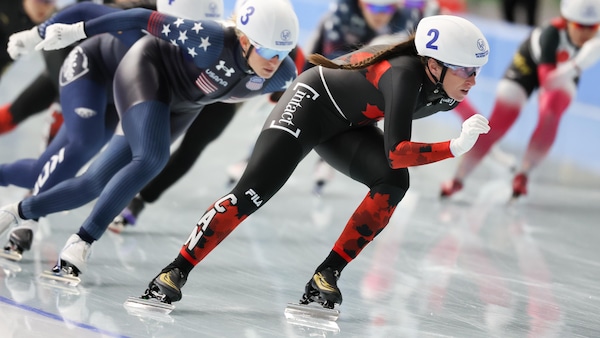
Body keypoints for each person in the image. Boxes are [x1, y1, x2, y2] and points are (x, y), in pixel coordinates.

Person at [122, 14, 491, 310]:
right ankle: (175, 271)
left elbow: (393, 161)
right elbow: (397, 151)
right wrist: (454, 147)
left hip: (349, 125)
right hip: (310, 104)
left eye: (476, 71)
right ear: (433, 63)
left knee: (393, 183)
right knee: (252, 193)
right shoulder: (403, 74)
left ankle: (326, 276)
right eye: (465, 70)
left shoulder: (447, 89)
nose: (472, 80)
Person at [0, 0, 299, 280]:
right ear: (244, 40)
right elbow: (122, 15)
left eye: (281, 53)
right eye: (269, 51)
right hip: (137, 71)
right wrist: (63, 32)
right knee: (143, 156)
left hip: (180, 106)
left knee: (96, 180)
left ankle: (20, 212)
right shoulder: (205, 38)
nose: (275, 61)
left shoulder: (281, 72)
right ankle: (72, 234)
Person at [0, 0, 226, 259]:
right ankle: (30, 216)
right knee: (83, 143)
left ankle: (31, 205)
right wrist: (35, 34)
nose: (193, 51)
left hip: (125, 92)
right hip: (92, 69)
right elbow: (83, 10)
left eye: (204, 38)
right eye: (184, 37)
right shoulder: (144, 25)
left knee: (49, 170)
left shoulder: (214, 54)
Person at [227, 0, 439, 195]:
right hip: (332, 59)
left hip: (370, 58)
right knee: (294, 103)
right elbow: (331, 72)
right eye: (373, 7)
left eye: (387, 9)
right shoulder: (341, 16)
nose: (380, 15)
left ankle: (324, 162)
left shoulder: (409, 17)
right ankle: (251, 155)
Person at [440, 0, 600, 199]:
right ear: (567, 21)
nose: (585, 34)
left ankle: (523, 174)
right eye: (579, 26)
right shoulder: (550, 34)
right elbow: (548, 82)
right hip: (532, 66)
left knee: (552, 112)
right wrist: (578, 64)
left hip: (563, 71)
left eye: (592, 27)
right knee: (499, 122)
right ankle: (458, 178)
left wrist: (575, 65)